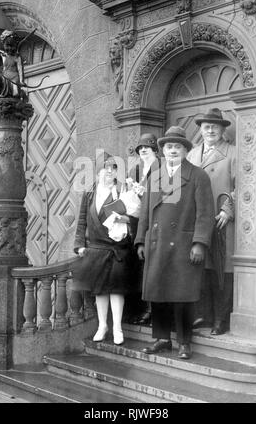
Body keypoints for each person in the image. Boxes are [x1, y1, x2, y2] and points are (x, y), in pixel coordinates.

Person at [135, 126, 215, 359]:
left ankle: (184, 342)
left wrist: (199, 243)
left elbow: (205, 214)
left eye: (177, 147)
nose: (172, 150)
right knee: (158, 293)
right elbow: (145, 212)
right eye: (168, 147)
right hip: (156, 242)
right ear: (163, 150)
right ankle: (162, 338)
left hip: (183, 244)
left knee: (183, 296)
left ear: (185, 150)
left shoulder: (198, 176)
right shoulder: (156, 175)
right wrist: (141, 239)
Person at [73, 152, 134, 345]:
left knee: (116, 290)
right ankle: (102, 326)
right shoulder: (90, 192)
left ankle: (117, 328)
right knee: (99, 290)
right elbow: (82, 219)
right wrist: (79, 245)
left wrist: (126, 219)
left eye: (113, 168)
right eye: (105, 168)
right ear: (98, 172)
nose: (109, 171)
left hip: (116, 249)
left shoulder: (124, 191)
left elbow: (136, 217)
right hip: (96, 248)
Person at [187, 108, 235, 335]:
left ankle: (220, 320)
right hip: (198, 221)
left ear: (223, 130)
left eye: (215, 127)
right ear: (200, 130)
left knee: (221, 270)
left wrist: (228, 209)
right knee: (201, 268)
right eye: (207, 127)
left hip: (221, 221)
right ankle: (203, 315)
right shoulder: (191, 155)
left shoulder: (234, 153)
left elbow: (246, 184)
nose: (211, 130)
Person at [126, 133, 160, 325]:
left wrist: (145, 193)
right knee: (140, 267)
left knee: (154, 267)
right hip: (137, 222)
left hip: (155, 222)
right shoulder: (135, 170)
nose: (144, 150)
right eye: (141, 148)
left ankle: (154, 310)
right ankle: (142, 309)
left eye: (147, 147)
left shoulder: (161, 168)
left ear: (155, 150)